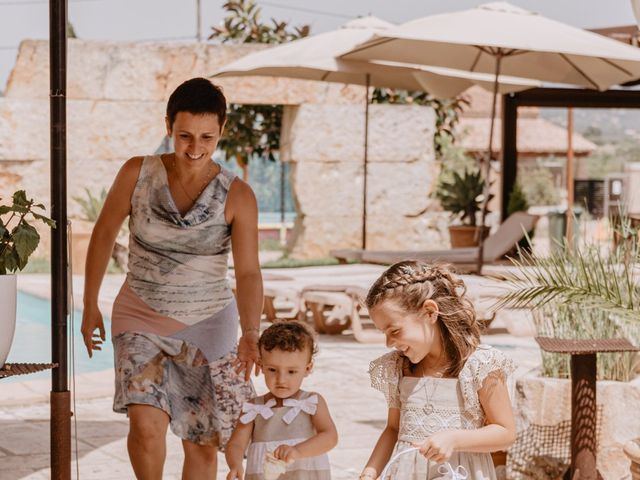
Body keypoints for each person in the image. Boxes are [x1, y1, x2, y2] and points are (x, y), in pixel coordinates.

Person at [81, 77, 263, 480]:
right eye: (184, 136)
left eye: (207, 137)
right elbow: (103, 233)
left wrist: (251, 332)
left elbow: (248, 272)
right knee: (145, 427)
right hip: (139, 315)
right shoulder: (137, 173)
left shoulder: (238, 195)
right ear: (168, 126)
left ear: (222, 132)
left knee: (201, 441)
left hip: (209, 324)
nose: (195, 149)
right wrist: (89, 303)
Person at [358, 261, 516, 480]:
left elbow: (506, 433)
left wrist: (454, 439)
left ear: (430, 312)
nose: (388, 342)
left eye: (394, 330)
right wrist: (369, 473)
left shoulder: (479, 366)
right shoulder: (398, 368)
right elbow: (393, 429)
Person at [225, 321, 338, 480]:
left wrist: (298, 451)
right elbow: (236, 444)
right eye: (272, 370)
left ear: (307, 369)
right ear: (261, 365)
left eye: (291, 371)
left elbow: (330, 437)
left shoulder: (312, 402)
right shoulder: (253, 408)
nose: (281, 379)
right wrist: (235, 464)